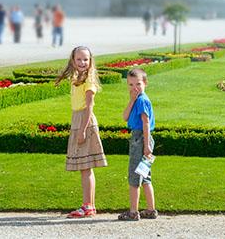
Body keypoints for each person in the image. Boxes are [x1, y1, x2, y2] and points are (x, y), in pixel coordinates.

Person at [56, 46, 107, 218]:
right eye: (79, 59)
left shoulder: (89, 81)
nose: (82, 62)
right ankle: (89, 206)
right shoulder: (77, 77)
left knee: (86, 167)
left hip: (84, 121)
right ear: (73, 60)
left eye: (85, 59)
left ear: (90, 61)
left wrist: (83, 131)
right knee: (85, 168)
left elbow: (89, 106)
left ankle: (88, 206)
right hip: (77, 119)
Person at [118, 68, 157, 221]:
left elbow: (145, 123)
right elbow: (125, 117)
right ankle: (150, 209)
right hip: (141, 138)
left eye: (138, 84)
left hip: (140, 139)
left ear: (145, 83)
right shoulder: (137, 99)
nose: (134, 88)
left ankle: (133, 212)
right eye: (130, 84)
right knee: (145, 176)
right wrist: (131, 100)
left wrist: (146, 146)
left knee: (134, 177)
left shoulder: (142, 100)